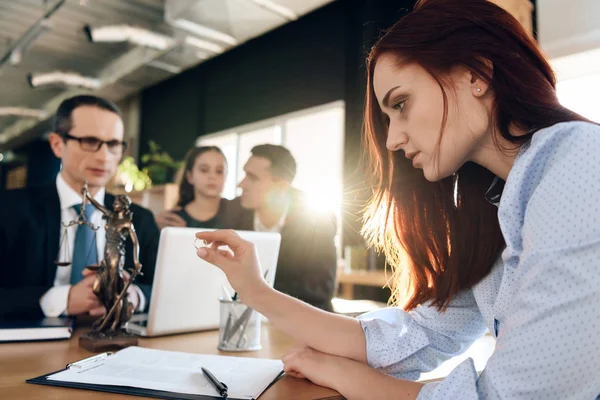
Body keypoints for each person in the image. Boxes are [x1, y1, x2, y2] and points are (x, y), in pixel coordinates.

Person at [194, 0, 600, 399]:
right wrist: (255, 291)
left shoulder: (577, 160)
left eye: (401, 104)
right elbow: (411, 339)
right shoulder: (493, 206)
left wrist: (345, 376)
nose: (392, 139)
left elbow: (514, 396)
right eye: (388, 118)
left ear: (477, 74)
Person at [0, 95, 159, 320]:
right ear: (57, 144)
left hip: (114, 346)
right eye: (90, 142)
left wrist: (132, 296)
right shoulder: (9, 211)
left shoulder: (139, 219)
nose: (104, 157)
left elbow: (164, 288)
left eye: (113, 145)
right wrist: (59, 299)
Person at [222, 144, 338, 311]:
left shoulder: (317, 220)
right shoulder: (233, 210)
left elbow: (320, 289)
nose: (241, 184)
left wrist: (257, 288)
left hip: (302, 319)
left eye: (252, 177)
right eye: (244, 174)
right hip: (245, 315)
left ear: (280, 186)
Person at [155, 146, 232, 230]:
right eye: (204, 170)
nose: (212, 176)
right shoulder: (172, 220)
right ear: (190, 176)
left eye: (219, 171)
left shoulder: (237, 211)